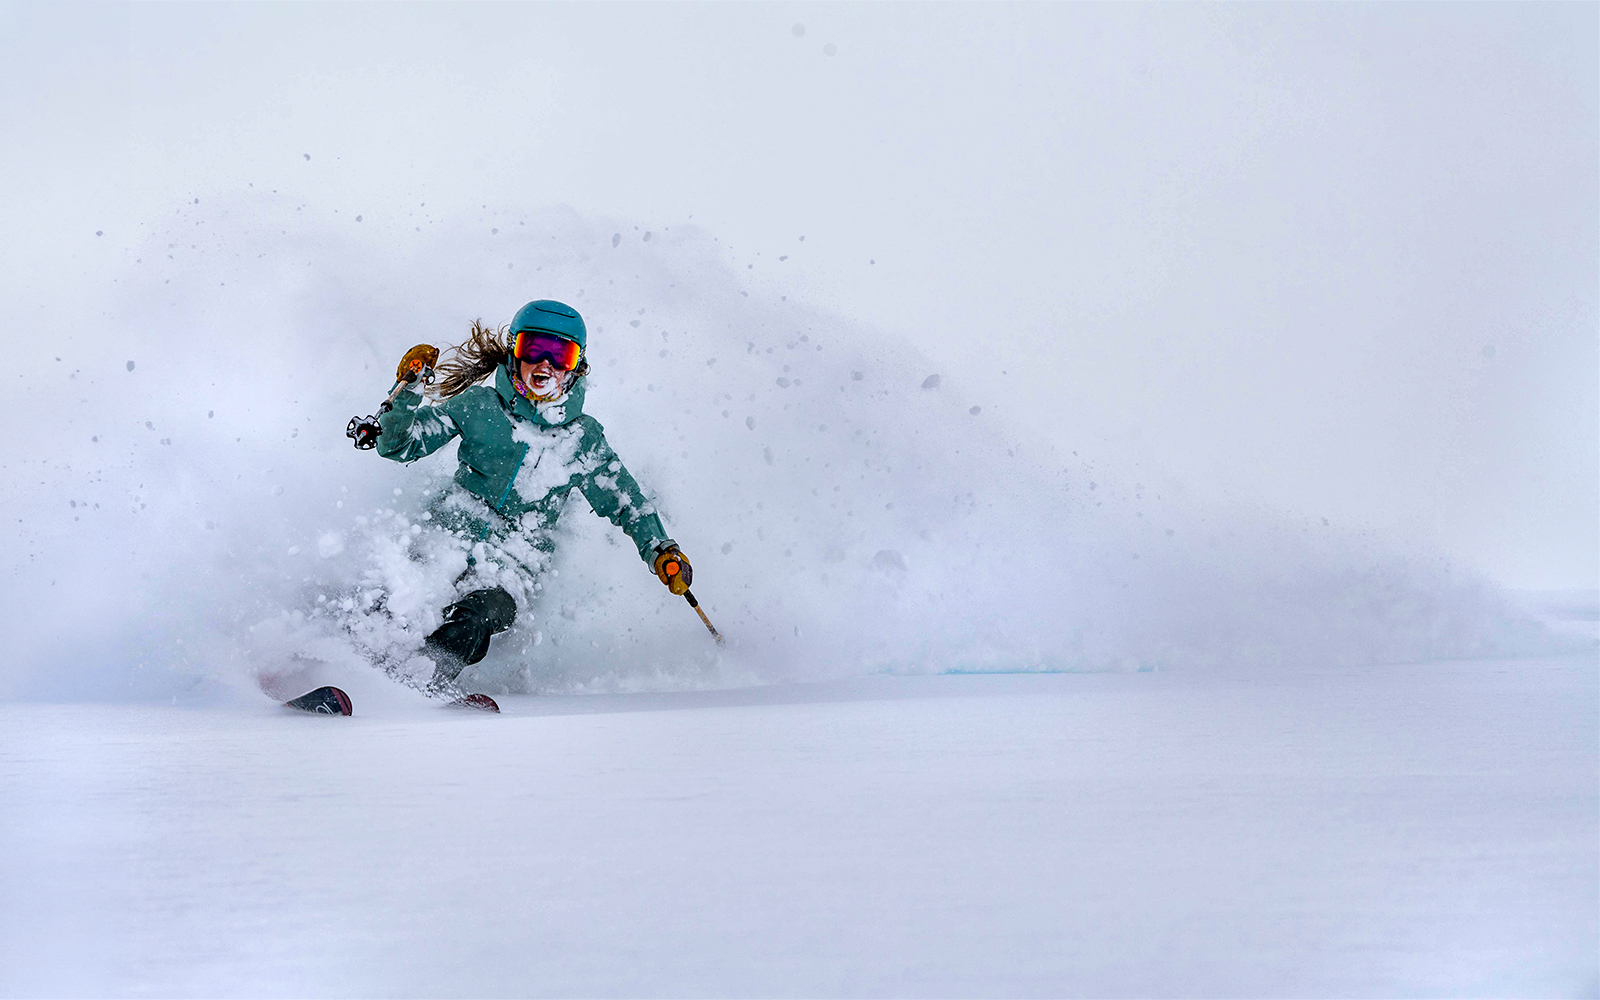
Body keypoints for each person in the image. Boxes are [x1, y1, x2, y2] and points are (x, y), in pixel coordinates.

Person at [374, 298, 691, 692]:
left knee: (472, 619)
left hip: (511, 568)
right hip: (446, 538)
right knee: (390, 594)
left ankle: (414, 683)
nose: (545, 364)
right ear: (514, 352)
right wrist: (406, 391)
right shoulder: (478, 406)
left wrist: (660, 549)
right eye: (533, 349)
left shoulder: (581, 439)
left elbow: (626, 502)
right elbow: (400, 445)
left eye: (561, 355)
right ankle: (336, 656)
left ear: (576, 367)